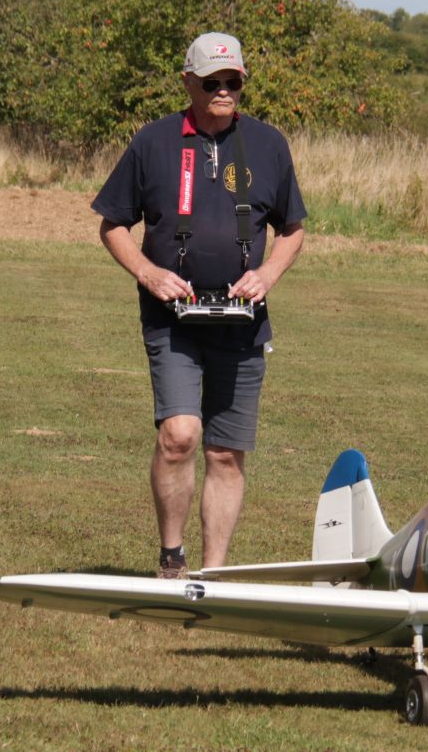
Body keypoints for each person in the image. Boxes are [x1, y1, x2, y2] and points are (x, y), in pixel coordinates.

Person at [93, 32, 306, 579]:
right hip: (174, 321)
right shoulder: (153, 142)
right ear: (188, 82)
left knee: (225, 453)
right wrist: (147, 273)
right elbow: (113, 224)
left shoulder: (268, 144)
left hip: (243, 324)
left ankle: (211, 578)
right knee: (180, 435)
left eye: (233, 81)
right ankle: (172, 558)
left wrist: (267, 275)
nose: (224, 91)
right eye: (212, 82)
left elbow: (292, 228)